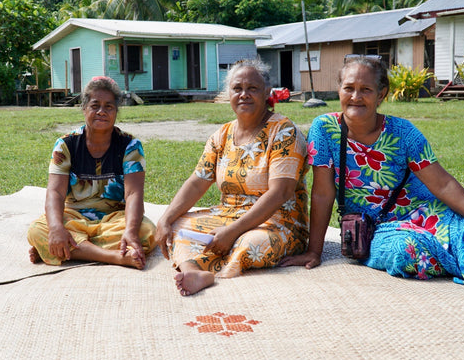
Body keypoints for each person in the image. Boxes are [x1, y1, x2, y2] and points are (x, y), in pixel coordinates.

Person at [281, 55, 464, 286]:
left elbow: (443, 183)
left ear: (381, 94)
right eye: (349, 88)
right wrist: (315, 251)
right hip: (375, 230)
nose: (356, 96)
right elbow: (322, 193)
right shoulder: (324, 129)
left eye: (366, 90)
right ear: (339, 91)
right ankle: (459, 252)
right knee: (405, 252)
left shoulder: (404, 132)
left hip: (424, 213)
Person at [155, 59, 309, 296]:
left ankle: (211, 260)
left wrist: (232, 231)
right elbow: (197, 181)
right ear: (228, 94)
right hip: (228, 215)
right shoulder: (222, 135)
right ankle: (193, 271)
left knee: (249, 244)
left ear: (267, 92)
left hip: (279, 222)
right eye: (237, 88)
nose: (244, 94)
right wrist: (165, 218)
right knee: (177, 226)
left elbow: (280, 193)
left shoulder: (284, 132)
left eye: (252, 88)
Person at [26, 76, 156, 269]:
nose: (101, 112)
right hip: (73, 217)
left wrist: (130, 230)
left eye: (109, 107)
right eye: (95, 105)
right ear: (84, 108)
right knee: (38, 230)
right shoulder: (66, 144)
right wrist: (55, 228)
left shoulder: (130, 145)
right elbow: (55, 193)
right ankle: (115, 257)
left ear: (116, 111)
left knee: (147, 232)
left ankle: (60, 249)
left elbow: (133, 194)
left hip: (114, 218)